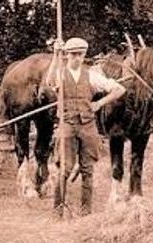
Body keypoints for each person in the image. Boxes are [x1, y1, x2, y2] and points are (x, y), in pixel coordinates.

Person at [46, 37, 127, 216]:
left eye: (80, 54)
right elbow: (50, 83)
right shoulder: (60, 73)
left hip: (87, 126)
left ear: (84, 55)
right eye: (73, 54)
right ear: (67, 55)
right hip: (67, 124)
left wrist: (100, 103)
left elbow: (120, 89)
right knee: (64, 169)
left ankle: (86, 212)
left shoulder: (90, 75)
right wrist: (55, 55)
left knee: (87, 169)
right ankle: (58, 210)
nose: (76, 58)